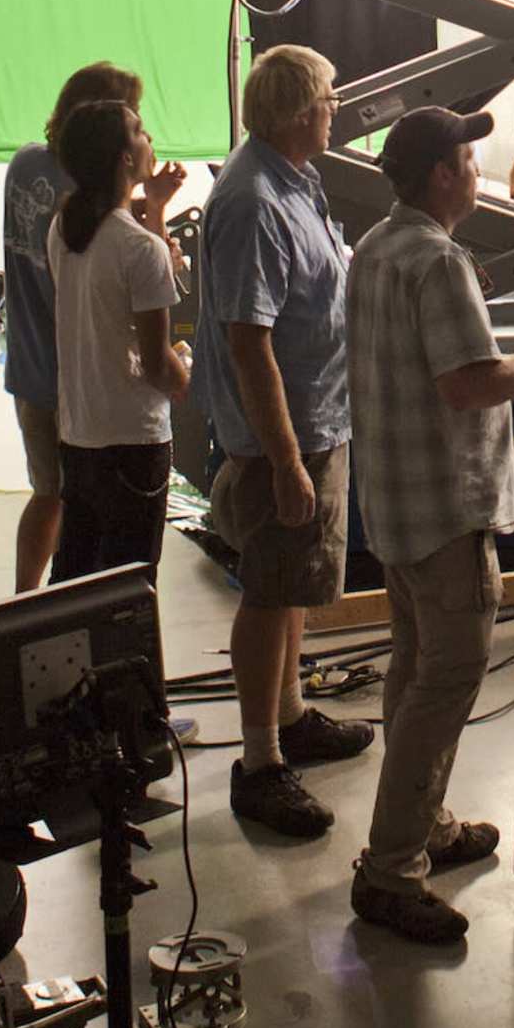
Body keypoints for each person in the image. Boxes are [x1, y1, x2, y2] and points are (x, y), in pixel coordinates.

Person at [343, 106, 514, 945]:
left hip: (397, 504)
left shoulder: (374, 247)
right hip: (446, 508)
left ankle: (425, 822)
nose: (480, 169)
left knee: (414, 672)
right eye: (470, 159)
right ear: (443, 176)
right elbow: (469, 383)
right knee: (444, 683)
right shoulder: (438, 261)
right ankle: (391, 867)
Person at [192, 44, 375, 837]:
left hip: (316, 422)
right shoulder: (255, 201)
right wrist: (288, 460)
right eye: (331, 100)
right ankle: (261, 761)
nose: (337, 110)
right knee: (269, 593)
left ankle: (293, 713)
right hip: (281, 442)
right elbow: (247, 342)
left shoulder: (294, 179)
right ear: (303, 112)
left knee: (294, 581)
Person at [0, 62, 143, 593]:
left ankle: (26, 597)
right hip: (72, 380)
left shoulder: (24, 165)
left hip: (28, 364)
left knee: (48, 493)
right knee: (81, 507)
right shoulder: (81, 199)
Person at [46, 98, 190, 582]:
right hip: (133, 442)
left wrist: (155, 205)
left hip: (79, 433)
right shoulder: (138, 248)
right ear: (124, 158)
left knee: (75, 576)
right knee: (128, 587)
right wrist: (186, 375)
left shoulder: (64, 228)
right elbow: (156, 365)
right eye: (140, 131)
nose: (150, 138)